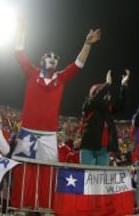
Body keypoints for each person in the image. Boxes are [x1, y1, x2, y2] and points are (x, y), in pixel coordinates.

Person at [11, 19, 101, 208]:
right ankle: (20, 207)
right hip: (28, 131)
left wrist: (87, 44)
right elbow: (19, 52)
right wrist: (20, 31)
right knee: (24, 169)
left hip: (49, 135)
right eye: (49, 56)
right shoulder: (31, 73)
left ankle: (46, 207)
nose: (53, 58)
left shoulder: (61, 78)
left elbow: (78, 64)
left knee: (49, 172)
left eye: (56, 57)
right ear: (42, 60)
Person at [80, 69, 130, 165]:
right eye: (103, 93)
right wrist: (107, 84)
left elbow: (122, 106)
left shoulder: (107, 109)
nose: (106, 95)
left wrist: (123, 86)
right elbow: (95, 100)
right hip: (89, 148)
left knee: (101, 177)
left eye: (107, 94)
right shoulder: (89, 105)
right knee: (88, 176)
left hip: (104, 150)